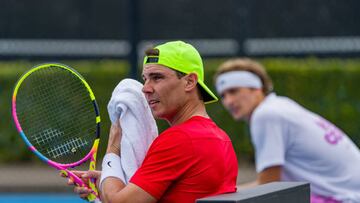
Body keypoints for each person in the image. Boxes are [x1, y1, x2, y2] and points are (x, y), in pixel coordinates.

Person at [66, 41, 238, 203]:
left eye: (157, 77)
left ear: (189, 82)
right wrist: (107, 181)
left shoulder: (179, 139)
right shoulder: (222, 138)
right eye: (145, 78)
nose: (145, 88)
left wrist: (113, 149)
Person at [214, 58, 360, 203]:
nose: (228, 101)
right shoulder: (280, 105)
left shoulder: (266, 115)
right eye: (223, 95)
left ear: (256, 88)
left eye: (234, 91)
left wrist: (215, 197)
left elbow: (267, 187)